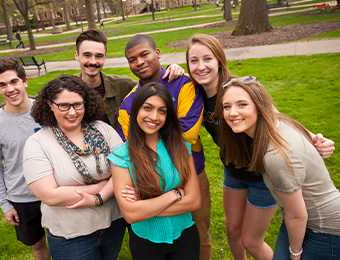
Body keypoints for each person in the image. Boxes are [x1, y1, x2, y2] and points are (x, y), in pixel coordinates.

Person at [185, 33, 336, 260]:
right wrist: (173, 70)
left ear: (219, 60)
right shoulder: (193, 92)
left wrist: (314, 138)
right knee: (232, 231)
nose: (201, 66)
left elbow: (275, 117)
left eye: (207, 59)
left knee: (252, 242)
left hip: (263, 175)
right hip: (233, 170)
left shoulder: (238, 88)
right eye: (193, 61)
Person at [215, 76, 340, 260]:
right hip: (300, 219)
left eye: (242, 105)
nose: (232, 113)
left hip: (324, 230)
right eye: (227, 106)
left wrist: (295, 253)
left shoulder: (275, 157)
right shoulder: (279, 122)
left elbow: (298, 216)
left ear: (259, 106)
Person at [0, 29, 183, 137]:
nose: (93, 61)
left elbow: (153, 91)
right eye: (87, 55)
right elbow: (30, 101)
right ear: (76, 55)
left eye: (99, 55)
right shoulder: (65, 88)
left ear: (105, 57)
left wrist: (172, 69)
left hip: (121, 157)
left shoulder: (123, 85)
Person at [117, 34, 212, 260]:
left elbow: (188, 133)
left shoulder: (184, 84)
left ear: (157, 53)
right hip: (148, 178)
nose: (139, 62)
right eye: (132, 59)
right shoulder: (127, 104)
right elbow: (132, 147)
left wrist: (148, 130)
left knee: (199, 234)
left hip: (191, 173)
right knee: (153, 231)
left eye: (144, 54)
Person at [22, 74, 126, 260]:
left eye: (78, 104)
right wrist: (99, 187)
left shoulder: (103, 129)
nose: (72, 112)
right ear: (50, 104)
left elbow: (125, 169)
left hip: (113, 223)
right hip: (71, 235)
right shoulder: (37, 143)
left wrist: (99, 197)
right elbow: (49, 195)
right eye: (64, 106)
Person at [108, 82, 201, 259]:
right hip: (145, 242)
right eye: (148, 108)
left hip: (185, 237)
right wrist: (175, 194)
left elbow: (194, 201)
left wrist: (145, 206)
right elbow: (131, 215)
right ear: (136, 110)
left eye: (162, 111)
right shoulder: (121, 157)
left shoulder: (182, 148)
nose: (154, 116)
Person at [0, 58, 50, 260]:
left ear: (25, 81)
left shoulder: (47, 111)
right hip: (22, 197)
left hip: (55, 189)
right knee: (37, 246)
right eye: (2, 85)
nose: (9, 89)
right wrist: (4, 204)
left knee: (62, 240)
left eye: (14, 82)